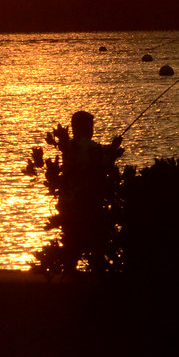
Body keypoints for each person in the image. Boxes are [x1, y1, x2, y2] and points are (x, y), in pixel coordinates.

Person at [58, 110, 123, 273]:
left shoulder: (69, 147)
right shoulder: (91, 147)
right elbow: (102, 167)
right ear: (83, 127)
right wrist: (113, 151)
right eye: (90, 125)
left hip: (68, 203)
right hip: (87, 202)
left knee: (71, 245)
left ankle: (68, 276)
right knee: (94, 244)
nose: (92, 129)